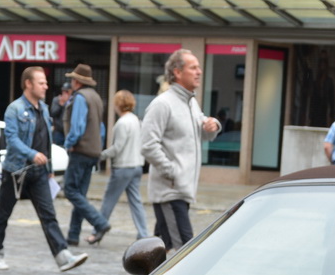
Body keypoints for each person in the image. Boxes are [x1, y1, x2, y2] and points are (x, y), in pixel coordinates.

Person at [0, 65, 89, 272]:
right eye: (41, 82)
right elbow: (12, 140)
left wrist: (49, 166)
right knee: (3, 214)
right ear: (28, 84)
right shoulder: (14, 109)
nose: (45, 86)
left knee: (48, 214)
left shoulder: (43, 108)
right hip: (16, 171)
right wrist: (31, 154)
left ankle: (63, 256)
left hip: (39, 172)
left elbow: (46, 140)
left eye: (45, 82)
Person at [140, 50, 220, 249]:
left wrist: (213, 125)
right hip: (171, 193)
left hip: (181, 190)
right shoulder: (162, 104)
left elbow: (203, 131)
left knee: (158, 252)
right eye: (193, 67)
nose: (199, 72)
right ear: (177, 72)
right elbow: (148, 145)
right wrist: (172, 173)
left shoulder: (191, 102)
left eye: (199, 67)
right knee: (184, 252)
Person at [61, 63, 112, 248]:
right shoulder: (96, 98)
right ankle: (73, 235)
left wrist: (69, 144)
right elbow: (102, 129)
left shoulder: (80, 98)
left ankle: (99, 222)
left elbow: (77, 127)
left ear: (76, 81)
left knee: (70, 190)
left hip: (80, 151)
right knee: (79, 194)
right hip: (93, 151)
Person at [98, 88, 147, 239]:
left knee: (109, 200)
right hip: (137, 165)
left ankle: (98, 230)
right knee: (136, 202)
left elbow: (117, 148)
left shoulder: (122, 123)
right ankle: (143, 234)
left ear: (119, 104)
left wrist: (100, 155)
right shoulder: (137, 120)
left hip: (123, 167)